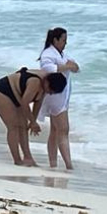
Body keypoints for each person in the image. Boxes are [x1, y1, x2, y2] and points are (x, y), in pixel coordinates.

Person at [0, 68, 68, 167]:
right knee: (13, 127)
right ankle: (17, 160)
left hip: (18, 96)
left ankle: (28, 158)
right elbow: (25, 103)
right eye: (50, 90)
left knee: (24, 126)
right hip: (1, 91)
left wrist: (33, 121)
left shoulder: (45, 86)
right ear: (47, 82)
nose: (50, 93)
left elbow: (38, 103)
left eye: (52, 92)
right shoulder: (36, 81)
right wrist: (33, 122)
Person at [38, 28, 81, 170]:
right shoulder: (48, 54)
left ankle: (53, 164)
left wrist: (70, 66)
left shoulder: (62, 54)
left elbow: (75, 67)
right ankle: (69, 165)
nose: (65, 43)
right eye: (63, 40)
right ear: (55, 40)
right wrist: (66, 66)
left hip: (62, 95)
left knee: (55, 130)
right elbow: (47, 68)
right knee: (63, 129)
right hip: (54, 95)